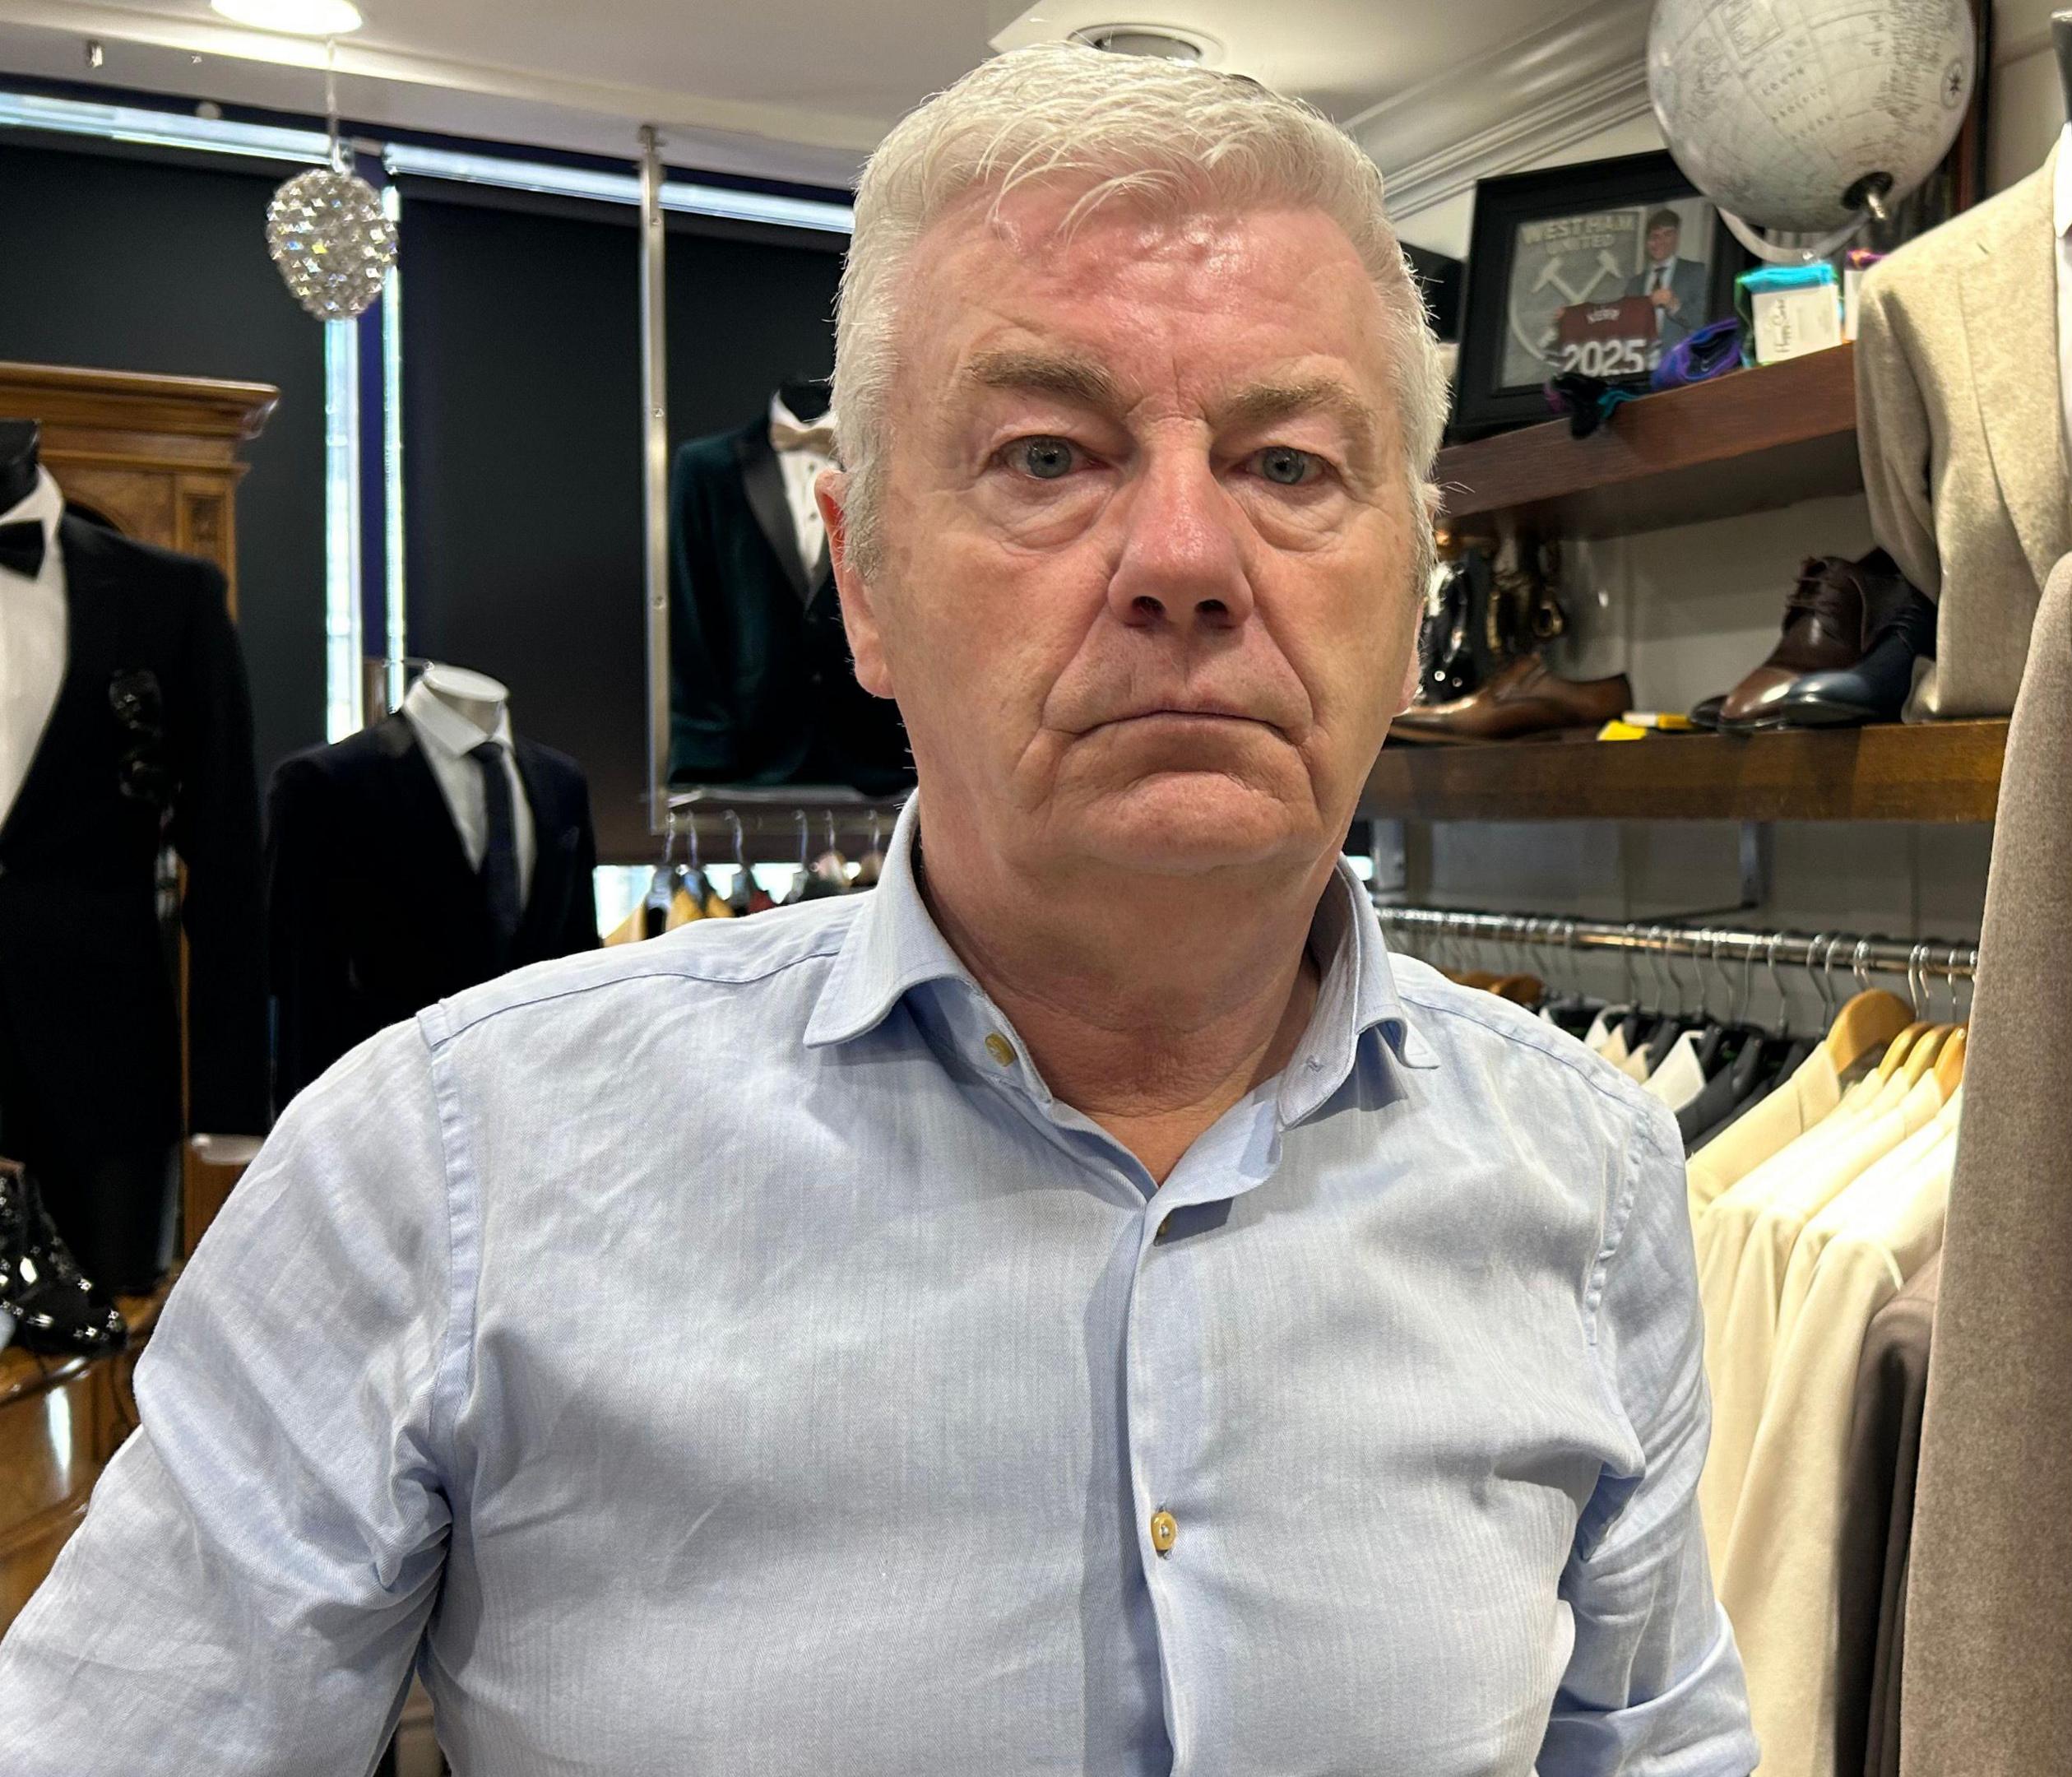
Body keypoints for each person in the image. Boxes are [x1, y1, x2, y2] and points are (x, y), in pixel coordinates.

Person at [0, 44, 1754, 1776]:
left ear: (1416, 572)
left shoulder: (1588, 1185)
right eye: (1048, 456)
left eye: (1291, 466)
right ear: (863, 579)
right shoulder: (437, 1182)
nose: (1187, 560)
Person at [1639, 206, 1710, 346]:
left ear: (1677, 237)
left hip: (1680, 363)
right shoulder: (1634, 283)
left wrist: (1675, 306)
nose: (1661, 241)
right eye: (1655, 236)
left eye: (1667, 234)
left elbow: (1707, 321)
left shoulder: (1695, 272)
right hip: (1640, 363)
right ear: (1647, 242)